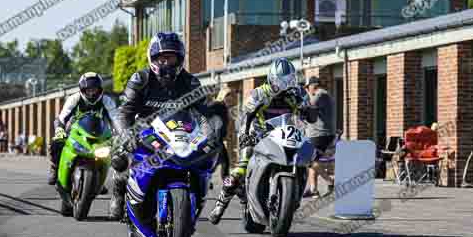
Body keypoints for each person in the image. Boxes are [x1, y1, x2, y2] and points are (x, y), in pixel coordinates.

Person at [109, 32, 227, 220]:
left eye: (171, 58)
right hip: (143, 131)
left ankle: (194, 196)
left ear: (179, 59)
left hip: (179, 132)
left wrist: (214, 129)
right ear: (153, 58)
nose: (166, 62)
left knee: (202, 161)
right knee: (121, 155)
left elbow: (205, 113)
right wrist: (126, 134)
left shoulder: (190, 82)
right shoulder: (141, 79)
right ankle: (119, 192)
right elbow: (123, 112)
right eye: (162, 58)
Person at [209, 57, 314, 224]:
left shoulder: (298, 93)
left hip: (286, 134)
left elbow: (311, 116)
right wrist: (244, 135)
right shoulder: (260, 92)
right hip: (258, 133)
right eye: (281, 81)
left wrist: (308, 111)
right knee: (242, 166)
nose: (285, 85)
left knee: (303, 161)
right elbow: (246, 116)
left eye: (289, 80)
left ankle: (295, 194)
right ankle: (221, 204)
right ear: (272, 78)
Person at [47, 72, 118, 186]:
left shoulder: (106, 100)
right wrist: (60, 129)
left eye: (94, 89)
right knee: (56, 142)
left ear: (99, 89)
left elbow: (116, 118)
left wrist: (121, 132)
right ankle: (54, 168)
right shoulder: (74, 98)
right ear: (82, 89)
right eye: (88, 90)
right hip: (74, 132)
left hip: (99, 134)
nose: (91, 93)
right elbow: (62, 116)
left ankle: (99, 178)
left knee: (115, 151)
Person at [303, 76, 337, 198]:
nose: (307, 90)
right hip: (319, 134)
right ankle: (313, 189)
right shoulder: (324, 94)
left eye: (307, 87)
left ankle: (330, 181)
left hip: (320, 134)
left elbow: (308, 106)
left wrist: (304, 97)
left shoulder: (320, 94)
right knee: (314, 160)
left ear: (313, 85)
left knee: (307, 159)